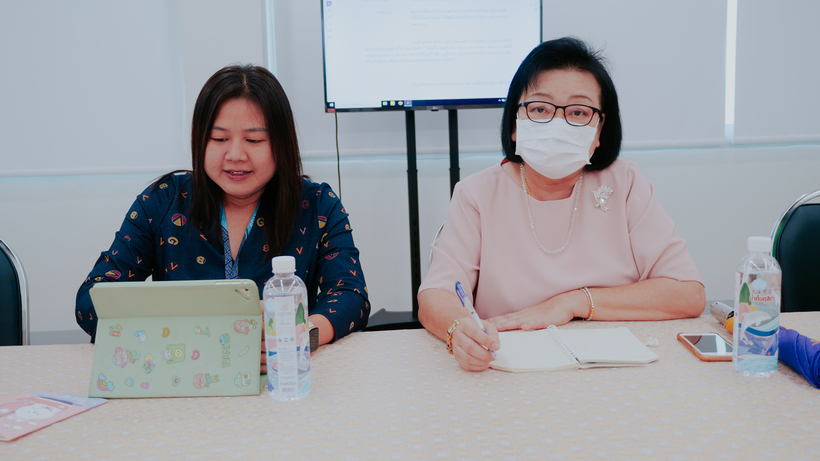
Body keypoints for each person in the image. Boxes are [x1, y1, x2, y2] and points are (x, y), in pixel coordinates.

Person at [418, 37, 705, 372]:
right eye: (540, 109)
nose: (557, 124)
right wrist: (458, 330)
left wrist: (574, 302)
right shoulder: (477, 194)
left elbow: (687, 294)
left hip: (616, 372)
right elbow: (436, 294)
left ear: (599, 130)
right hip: (512, 373)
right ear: (515, 122)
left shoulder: (625, 183)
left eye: (578, 112)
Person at [76, 65, 370, 369]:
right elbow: (91, 299)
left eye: (254, 140)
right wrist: (181, 326)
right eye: (219, 139)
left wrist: (299, 335)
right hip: (182, 372)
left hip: (280, 376)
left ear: (281, 144)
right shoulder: (163, 201)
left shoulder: (317, 205)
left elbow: (350, 296)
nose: (235, 155)